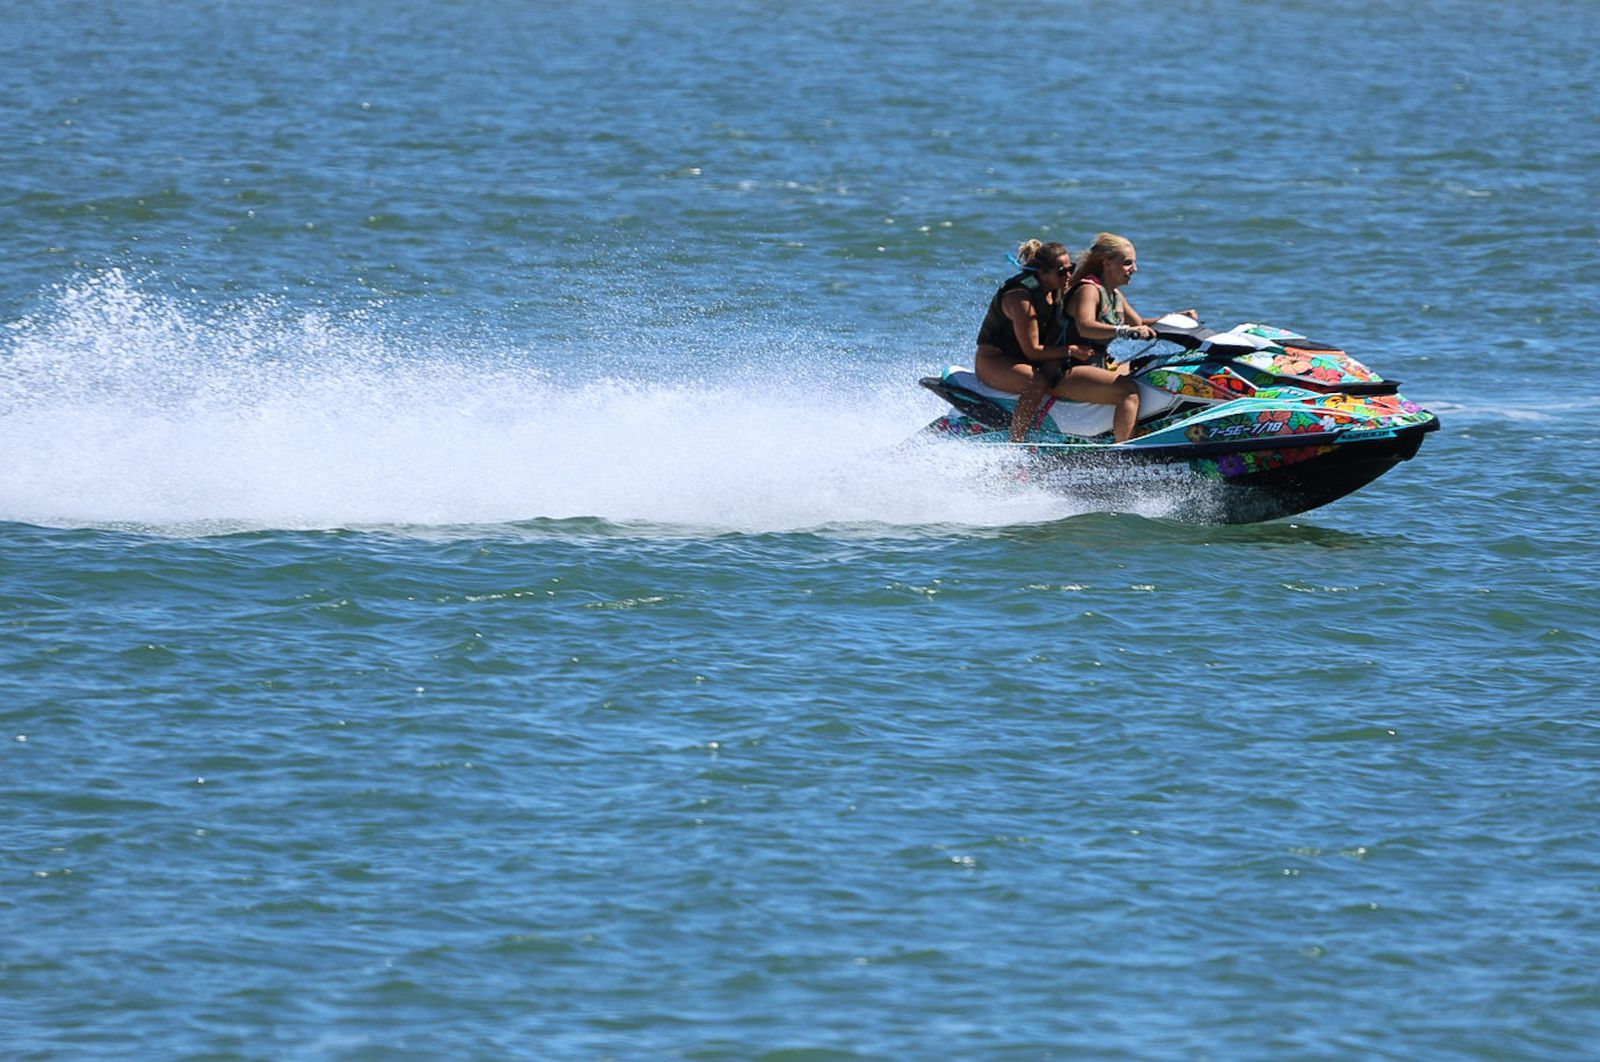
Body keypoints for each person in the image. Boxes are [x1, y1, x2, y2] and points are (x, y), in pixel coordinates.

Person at [974, 239, 1143, 443]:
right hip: (995, 361)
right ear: (1043, 273)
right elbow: (1033, 351)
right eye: (1061, 271)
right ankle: (1016, 443)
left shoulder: (1056, 289)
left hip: (1030, 360)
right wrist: (1070, 351)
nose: (1069, 275)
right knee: (1036, 382)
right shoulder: (1020, 298)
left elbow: (1134, 321)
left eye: (1071, 268)